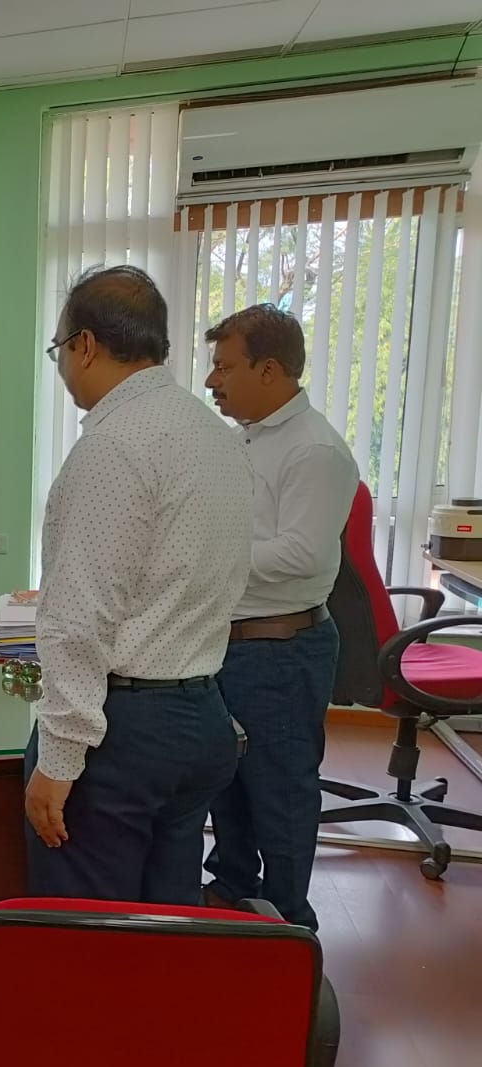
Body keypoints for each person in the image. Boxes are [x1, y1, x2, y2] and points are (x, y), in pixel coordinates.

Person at [27, 265, 253, 904]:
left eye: (59, 348)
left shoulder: (113, 446)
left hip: (122, 734)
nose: (62, 365)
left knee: (86, 926)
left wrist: (58, 758)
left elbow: (79, 619)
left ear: (85, 345)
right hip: (201, 715)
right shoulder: (215, 436)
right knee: (165, 923)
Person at [203, 305, 358, 930]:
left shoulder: (314, 449)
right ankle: (234, 890)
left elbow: (303, 554)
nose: (212, 380)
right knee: (228, 780)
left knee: (281, 792)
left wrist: (200, 557)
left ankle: (291, 923)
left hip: (279, 649)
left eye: (224, 367)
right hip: (226, 642)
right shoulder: (245, 438)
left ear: (269, 370)